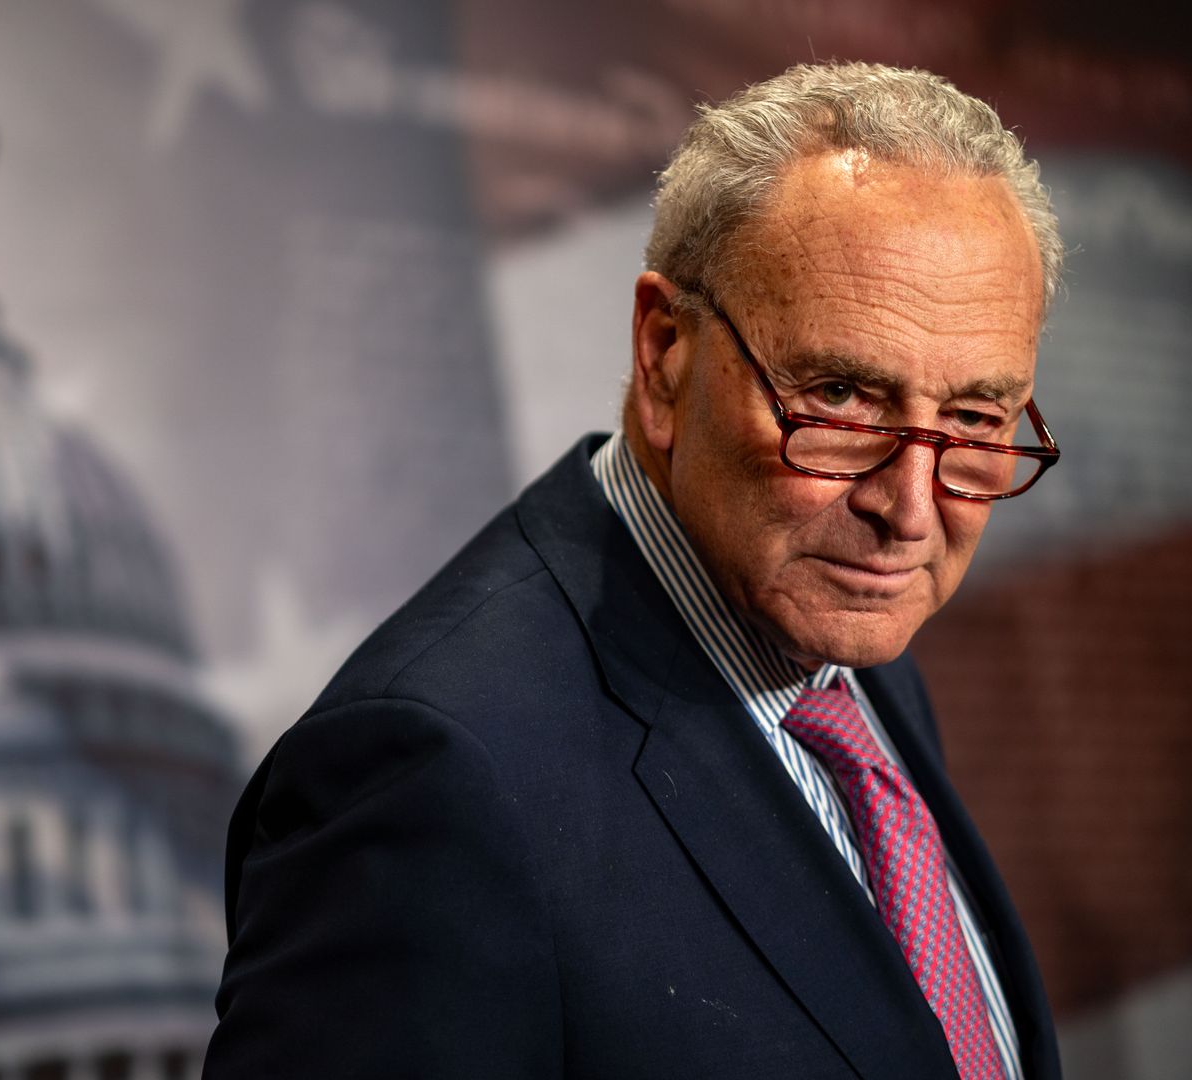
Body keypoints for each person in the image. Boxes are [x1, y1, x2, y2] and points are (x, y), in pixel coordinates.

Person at [204, 62, 1063, 1079]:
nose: (910, 511)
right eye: (839, 400)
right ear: (664, 355)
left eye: (973, 419)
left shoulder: (851, 651)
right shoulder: (434, 776)